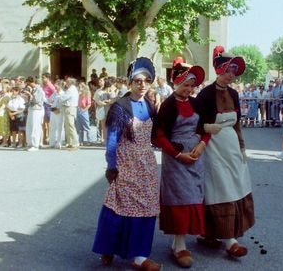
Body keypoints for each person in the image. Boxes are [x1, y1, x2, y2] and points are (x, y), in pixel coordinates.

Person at [92, 57, 161, 271]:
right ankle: (108, 247)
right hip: (126, 164)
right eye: (138, 80)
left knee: (146, 208)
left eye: (147, 80)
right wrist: (112, 167)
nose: (142, 85)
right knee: (119, 208)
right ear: (130, 82)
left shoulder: (149, 106)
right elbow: (111, 141)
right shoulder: (120, 107)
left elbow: (154, 135)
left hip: (146, 165)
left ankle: (139, 256)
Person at [195, 46, 254, 259]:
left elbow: (237, 124)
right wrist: (204, 128)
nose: (232, 75)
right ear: (220, 70)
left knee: (237, 185)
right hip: (213, 147)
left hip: (231, 147)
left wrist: (242, 146)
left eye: (235, 71)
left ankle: (213, 235)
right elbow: (194, 122)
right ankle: (229, 241)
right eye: (229, 70)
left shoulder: (234, 94)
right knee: (219, 189)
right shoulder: (205, 94)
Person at [154, 59, 207, 268]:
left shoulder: (196, 104)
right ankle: (179, 245)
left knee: (193, 196)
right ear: (176, 83)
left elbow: (205, 128)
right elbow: (159, 135)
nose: (189, 89)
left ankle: (180, 242)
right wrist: (178, 155)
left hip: (195, 156)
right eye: (185, 85)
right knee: (180, 199)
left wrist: (202, 144)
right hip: (176, 158)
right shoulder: (167, 105)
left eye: (192, 86)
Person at [24, 77, 45, 151]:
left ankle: (35, 145)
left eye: (28, 83)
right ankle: (30, 144)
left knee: (35, 127)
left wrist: (30, 94)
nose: (27, 85)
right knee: (29, 127)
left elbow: (37, 100)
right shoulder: (32, 89)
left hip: (37, 109)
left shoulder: (39, 89)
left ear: (32, 82)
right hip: (31, 109)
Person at [61, 77, 80, 150]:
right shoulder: (72, 89)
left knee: (70, 125)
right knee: (67, 126)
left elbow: (64, 97)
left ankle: (75, 143)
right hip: (69, 108)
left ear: (69, 82)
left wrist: (61, 96)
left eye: (66, 82)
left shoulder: (71, 89)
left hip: (70, 108)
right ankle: (70, 142)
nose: (65, 83)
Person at [48, 81, 64, 149]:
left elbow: (65, 104)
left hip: (59, 112)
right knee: (52, 127)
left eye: (56, 86)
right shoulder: (54, 93)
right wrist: (51, 102)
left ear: (60, 86)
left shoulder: (63, 94)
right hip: (53, 111)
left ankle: (59, 143)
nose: (55, 87)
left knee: (59, 128)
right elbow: (49, 100)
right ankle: (52, 142)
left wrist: (60, 110)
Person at [41, 73, 56, 145]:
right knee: (44, 123)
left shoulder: (51, 86)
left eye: (44, 77)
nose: (42, 79)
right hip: (43, 104)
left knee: (49, 123)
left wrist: (51, 103)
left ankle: (50, 138)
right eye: (42, 77)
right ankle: (44, 138)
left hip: (48, 105)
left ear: (48, 78)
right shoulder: (43, 85)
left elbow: (55, 95)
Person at [76, 82, 92, 146]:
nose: (80, 88)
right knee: (79, 127)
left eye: (81, 87)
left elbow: (89, 104)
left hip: (84, 110)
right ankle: (80, 141)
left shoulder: (87, 95)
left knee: (87, 127)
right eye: (79, 87)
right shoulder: (78, 94)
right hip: (78, 110)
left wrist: (84, 110)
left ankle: (89, 140)